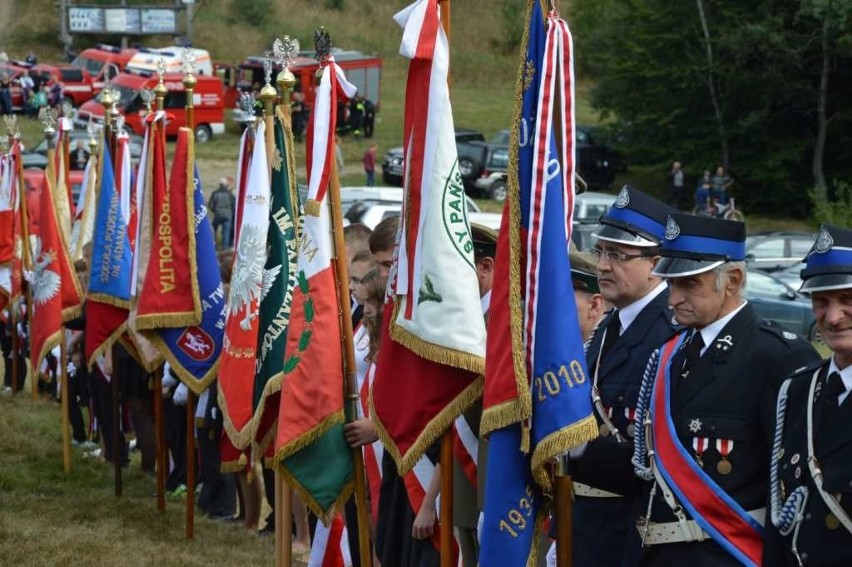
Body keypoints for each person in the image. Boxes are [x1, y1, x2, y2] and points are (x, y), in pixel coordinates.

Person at [632, 212, 819, 565]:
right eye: (671, 284)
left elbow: (790, 486)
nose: (672, 299)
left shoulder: (777, 356)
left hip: (728, 554)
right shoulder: (672, 354)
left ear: (732, 280)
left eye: (689, 285)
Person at [566, 185, 682, 567]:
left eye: (618, 255)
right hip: (586, 525)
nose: (601, 265)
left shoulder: (672, 333)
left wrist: (577, 446)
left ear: (657, 262)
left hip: (636, 535)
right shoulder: (608, 327)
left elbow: (662, 454)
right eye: (601, 252)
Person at [764, 224, 852, 566]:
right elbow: (779, 523)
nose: (832, 317)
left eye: (847, 300)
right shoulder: (799, 390)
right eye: (821, 301)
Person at [453, 223, 498, 567]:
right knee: (467, 548)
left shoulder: (500, 321)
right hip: (463, 464)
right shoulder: (459, 320)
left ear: (485, 267)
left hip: (490, 462)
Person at [208, 177, 236, 250]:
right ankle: (225, 249)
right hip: (228, 216)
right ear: (226, 185)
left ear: (219, 185)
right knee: (226, 233)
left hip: (218, 214)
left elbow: (210, 205)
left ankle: (212, 246)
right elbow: (233, 205)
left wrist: (215, 210)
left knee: (213, 229)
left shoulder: (215, 193)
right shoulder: (229, 194)